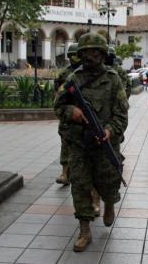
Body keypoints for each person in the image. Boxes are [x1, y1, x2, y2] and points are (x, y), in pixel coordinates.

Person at [54, 32, 128, 252]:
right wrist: (71, 111)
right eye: (86, 52)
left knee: (108, 181)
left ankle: (109, 203)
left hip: (105, 144)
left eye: (95, 52)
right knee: (80, 185)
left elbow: (122, 115)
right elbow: (57, 106)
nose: (90, 56)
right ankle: (84, 230)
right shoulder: (73, 79)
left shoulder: (113, 79)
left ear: (103, 54)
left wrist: (109, 130)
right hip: (79, 144)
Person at [54, 43, 80, 186]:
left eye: (77, 55)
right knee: (65, 145)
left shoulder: (87, 73)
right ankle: (65, 173)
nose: (75, 58)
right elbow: (57, 94)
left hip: (87, 117)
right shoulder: (65, 74)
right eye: (72, 55)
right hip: (68, 116)